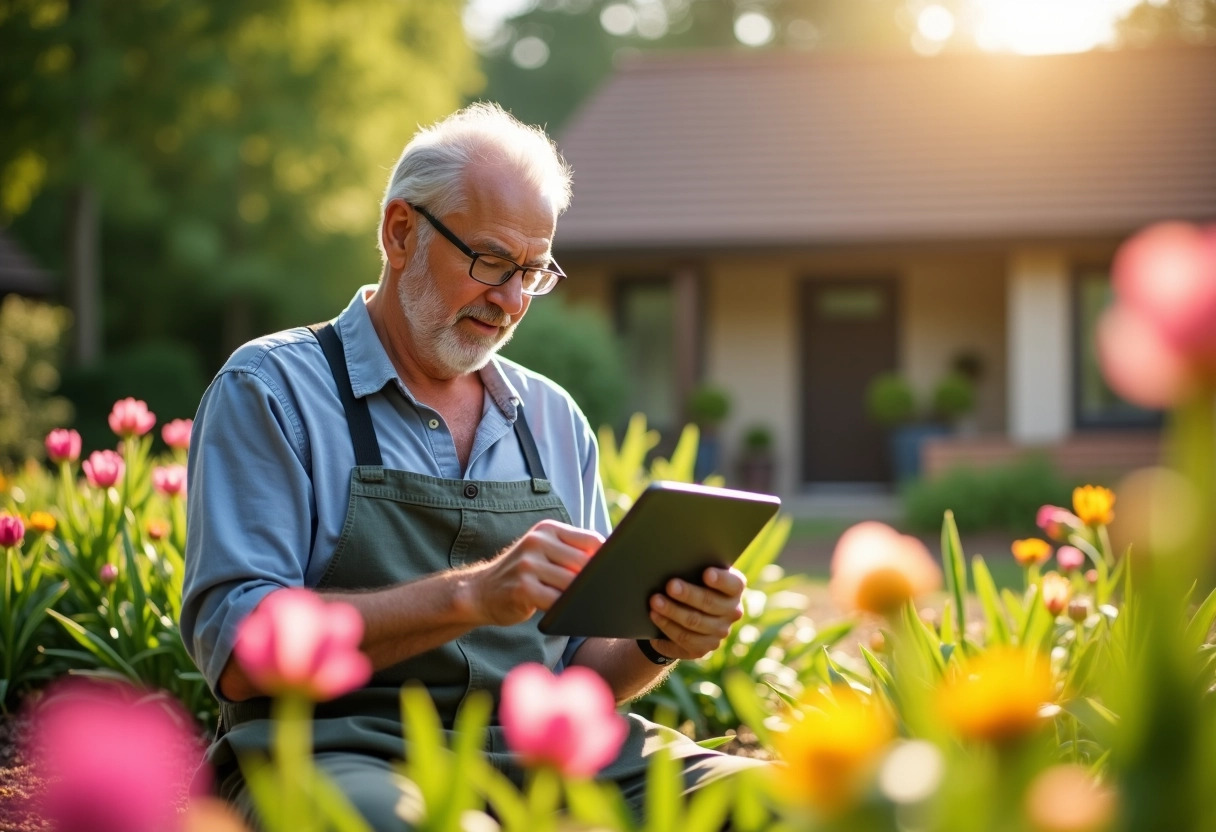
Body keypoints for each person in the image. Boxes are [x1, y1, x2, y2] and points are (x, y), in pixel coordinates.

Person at [181, 102, 763, 830]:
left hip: (546, 757)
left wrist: (659, 636)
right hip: (340, 753)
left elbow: (580, 672)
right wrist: (471, 597)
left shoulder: (552, 418)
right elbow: (240, 649)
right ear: (400, 233)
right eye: (491, 262)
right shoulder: (272, 390)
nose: (512, 299)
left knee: (787, 800)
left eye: (533, 271)